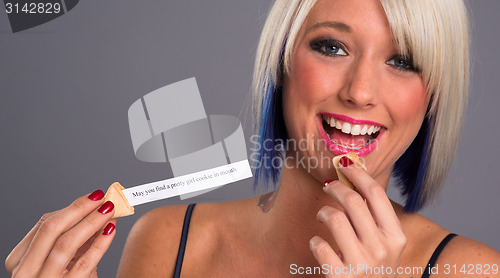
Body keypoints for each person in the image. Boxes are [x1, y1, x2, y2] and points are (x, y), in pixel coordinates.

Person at [6, 0, 500, 277]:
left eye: (403, 60)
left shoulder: (473, 272)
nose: (361, 92)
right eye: (332, 47)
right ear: (282, 63)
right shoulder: (168, 243)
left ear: (432, 95)